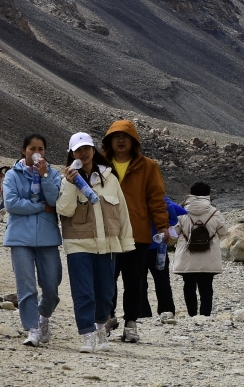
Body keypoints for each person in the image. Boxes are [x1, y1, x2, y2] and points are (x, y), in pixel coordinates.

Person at [57, 132, 132, 354]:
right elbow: (64, 210)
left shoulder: (109, 178)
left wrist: (126, 243)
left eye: (87, 148)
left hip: (108, 245)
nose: (84, 152)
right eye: (79, 149)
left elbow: (122, 213)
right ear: (72, 153)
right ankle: (87, 334)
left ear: (93, 150)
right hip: (78, 244)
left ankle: (101, 329)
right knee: (83, 292)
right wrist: (71, 185)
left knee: (105, 293)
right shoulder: (66, 180)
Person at [102, 120, 171, 341]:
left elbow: (156, 198)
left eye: (126, 137)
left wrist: (162, 226)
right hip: (108, 232)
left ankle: (131, 322)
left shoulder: (148, 166)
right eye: (116, 137)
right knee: (106, 278)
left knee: (134, 281)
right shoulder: (101, 165)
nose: (121, 140)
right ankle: (108, 316)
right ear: (109, 141)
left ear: (134, 142)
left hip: (136, 233)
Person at [2, 134, 63, 347]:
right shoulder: (12, 175)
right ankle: (32, 329)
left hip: (47, 237)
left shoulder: (53, 175)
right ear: (24, 150)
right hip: (20, 238)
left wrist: (44, 176)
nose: (37, 152)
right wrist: (39, 207)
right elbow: (11, 204)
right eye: (32, 148)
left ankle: (43, 317)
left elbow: (56, 201)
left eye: (41, 149)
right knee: (26, 287)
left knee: (52, 287)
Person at [174, 181, 227, 317]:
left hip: (187, 256)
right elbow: (223, 232)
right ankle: (205, 316)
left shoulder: (181, 212)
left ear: (191, 194)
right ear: (208, 195)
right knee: (206, 287)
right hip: (208, 256)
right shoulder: (215, 212)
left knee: (189, 286)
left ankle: (192, 314)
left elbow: (174, 233)